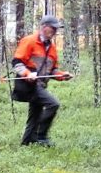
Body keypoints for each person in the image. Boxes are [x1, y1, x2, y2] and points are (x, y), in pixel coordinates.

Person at [11, 15, 73, 146]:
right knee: (53, 104)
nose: (55, 31)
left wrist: (62, 75)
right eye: (53, 28)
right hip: (28, 85)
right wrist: (27, 74)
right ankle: (41, 136)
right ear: (44, 27)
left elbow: (52, 70)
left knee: (35, 114)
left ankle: (27, 142)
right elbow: (17, 63)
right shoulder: (29, 41)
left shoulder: (52, 48)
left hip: (41, 85)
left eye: (56, 29)